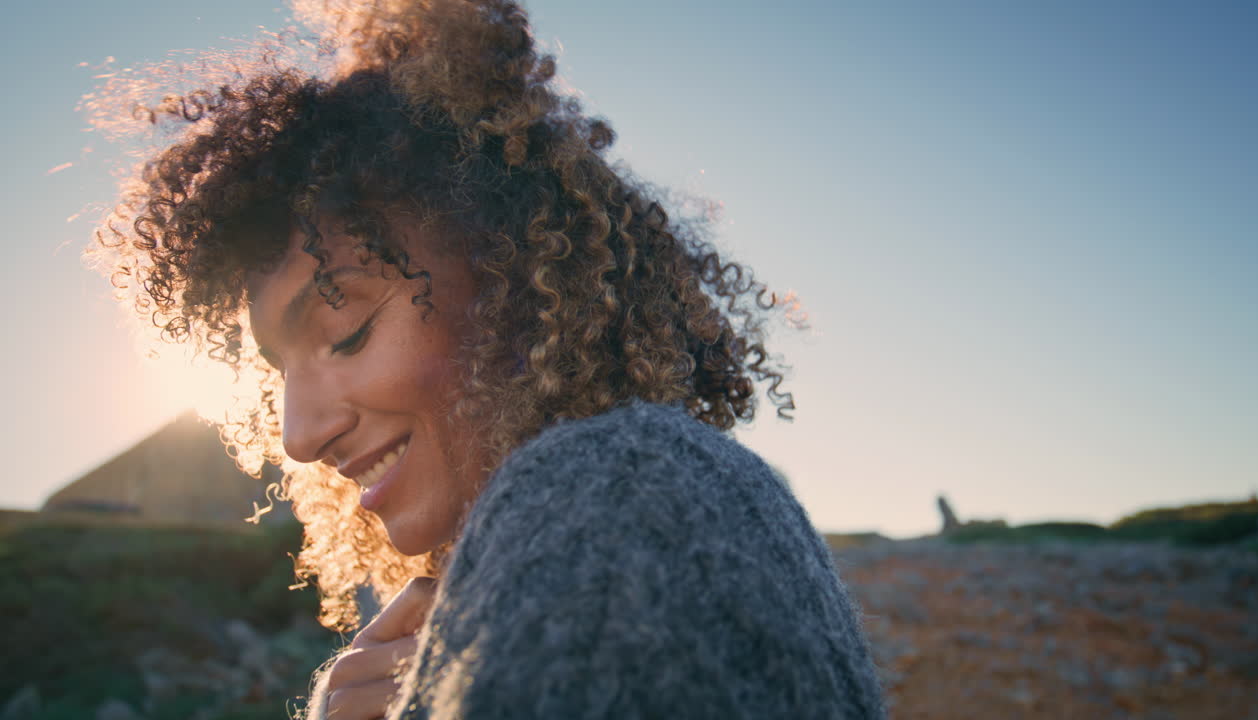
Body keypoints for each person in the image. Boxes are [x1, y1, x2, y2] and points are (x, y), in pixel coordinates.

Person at [90, 1, 886, 717]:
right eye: (279, 373)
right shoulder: (618, 508)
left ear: (522, 279)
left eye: (349, 329)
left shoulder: (624, 487)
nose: (298, 437)